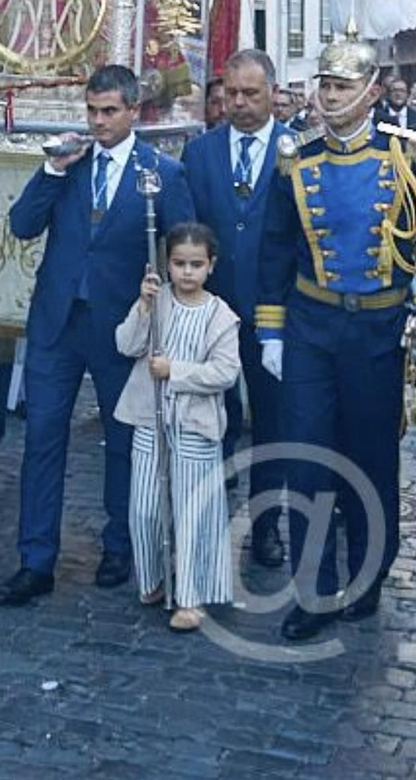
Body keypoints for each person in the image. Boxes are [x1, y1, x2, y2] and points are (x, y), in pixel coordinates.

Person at [257, 33, 416, 639]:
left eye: (342, 85)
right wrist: (271, 330)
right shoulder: (297, 158)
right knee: (307, 458)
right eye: (324, 83)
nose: (328, 95)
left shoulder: (408, 153)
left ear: (373, 92)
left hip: (377, 326)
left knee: (370, 458)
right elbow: (275, 248)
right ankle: (313, 591)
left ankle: (368, 578)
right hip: (312, 325)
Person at [0, 66, 196, 607]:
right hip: (58, 322)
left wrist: (169, 304)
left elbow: (187, 251)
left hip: (122, 326)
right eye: (92, 111)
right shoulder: (70, 164)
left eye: (109, 111)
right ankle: (35, 558)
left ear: (133, 111)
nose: (100, 121)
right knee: (41, 438)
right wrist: (53, 171)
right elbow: (21, 225)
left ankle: (119, 544)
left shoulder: (162, 173)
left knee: (123, 440)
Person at [180, 48, 287, 568]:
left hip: (274, 312)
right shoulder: (199, 154)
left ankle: (265, 527)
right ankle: (211, 521)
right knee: (214, 418)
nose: (239, 104)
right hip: (213, 310)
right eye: (231, 94)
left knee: (272, 421)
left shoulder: (298, 150)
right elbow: (187, 228)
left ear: (274, 93)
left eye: (251, 94)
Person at [115, 223, 240, 632]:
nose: (187, 273)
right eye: (179, 264)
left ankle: (190, 595)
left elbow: (225, 371)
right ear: (166, 264)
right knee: (144, 507)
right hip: (150, 418)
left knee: (192, 513)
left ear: (211, 266)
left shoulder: (221, 315)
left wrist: (176, 371)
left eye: (196, 265)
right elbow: (127, 345)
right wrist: (143, 307)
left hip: (195, 424)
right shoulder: (158, 302)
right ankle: (153, 579)